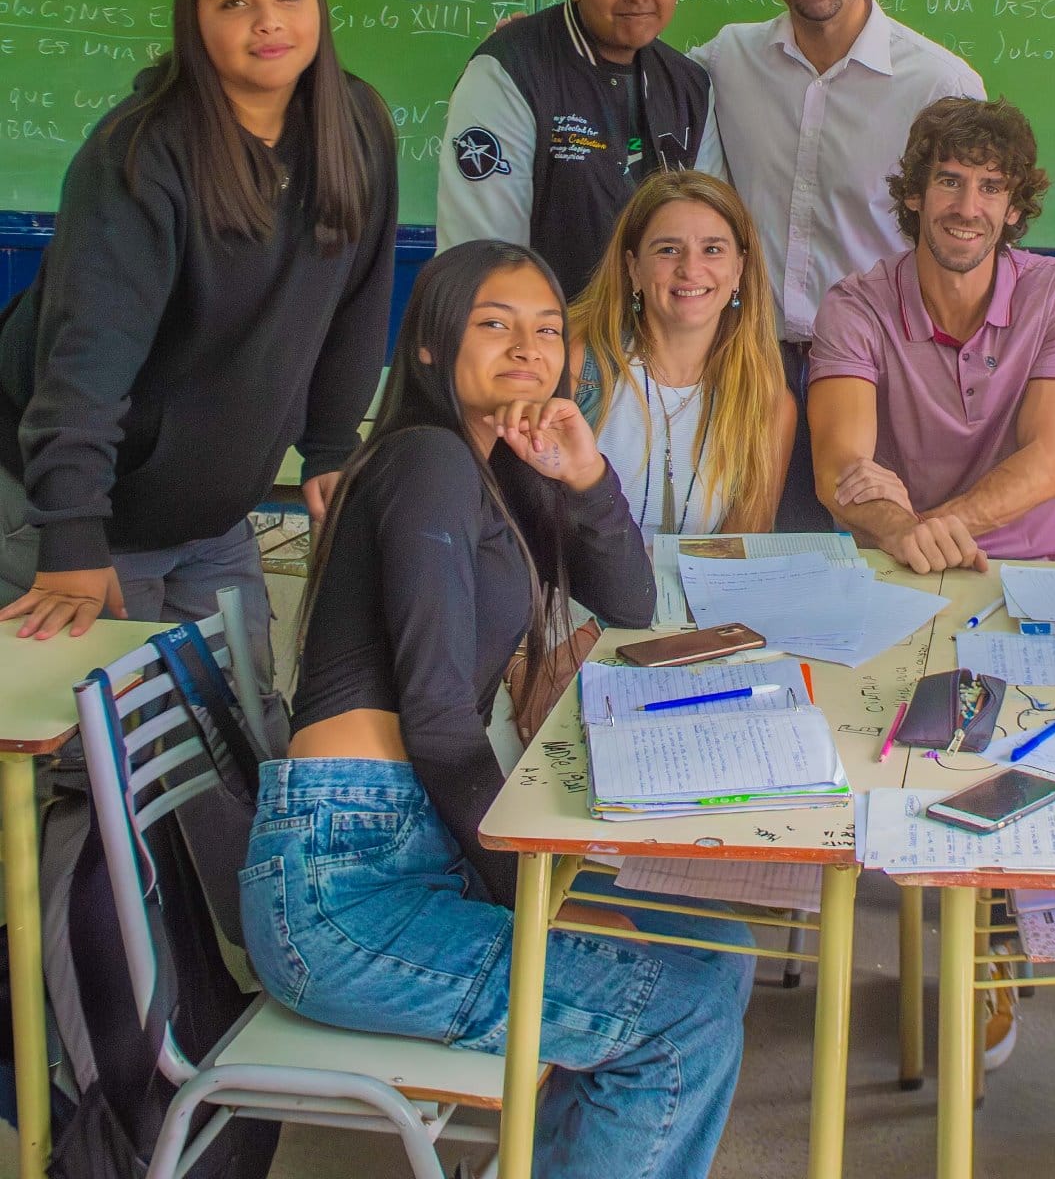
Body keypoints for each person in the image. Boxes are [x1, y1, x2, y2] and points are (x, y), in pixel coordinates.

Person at [240, 241, 752, 1178]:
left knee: (716, 949)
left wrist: (583, 472)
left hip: (413, 845)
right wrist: (536, 898)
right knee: (681, 1012)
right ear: (430, 346)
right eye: (494, 324)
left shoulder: (488, 465)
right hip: (348, 889)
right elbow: (438, 721)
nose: (529, 348)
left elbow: (630, 603)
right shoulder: (426, 461)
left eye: (548, 329)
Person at [0, 0, 395, 682]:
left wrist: (331, 447)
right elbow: (84, 361)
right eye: (233, 2)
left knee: (238, 731)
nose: (268, 22)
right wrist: (72, 535)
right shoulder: (141, 154)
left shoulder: (354, 127)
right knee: (91, 748)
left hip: (210, 523)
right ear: (194, 20)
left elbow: (357, 304)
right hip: (80, 513)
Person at [691, 0, 986, 528]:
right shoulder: (727, 60)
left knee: (880, 558)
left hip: (880, 375)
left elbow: (973, 243)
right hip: (751, 366)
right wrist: (536, 49)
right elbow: (637, 75)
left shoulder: (940, 85)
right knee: (756, 557)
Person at [808, 96, 1055, 574]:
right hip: (901, 565)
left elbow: (1049, 461)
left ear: (1013, 207)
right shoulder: (855, 307)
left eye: (991, 187)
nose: (967, 208)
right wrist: (905, 534)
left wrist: (920, 530)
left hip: (1029, 562)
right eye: (949, 181)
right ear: (914, 194)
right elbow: (839, 469)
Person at [436, 0, 713, 299]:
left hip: (656, 333)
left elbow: (705, 235)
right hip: (541, 332)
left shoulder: (689, 83)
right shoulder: (511, 69)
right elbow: (484, 259)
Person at [570, 168, 794, 537]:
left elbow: (740, 552)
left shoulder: (767, 403)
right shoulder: (579, 365)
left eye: (712, 250)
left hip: (704, 580)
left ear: (739, 269)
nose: (690, 269)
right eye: (668, 250)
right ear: (633, 268)